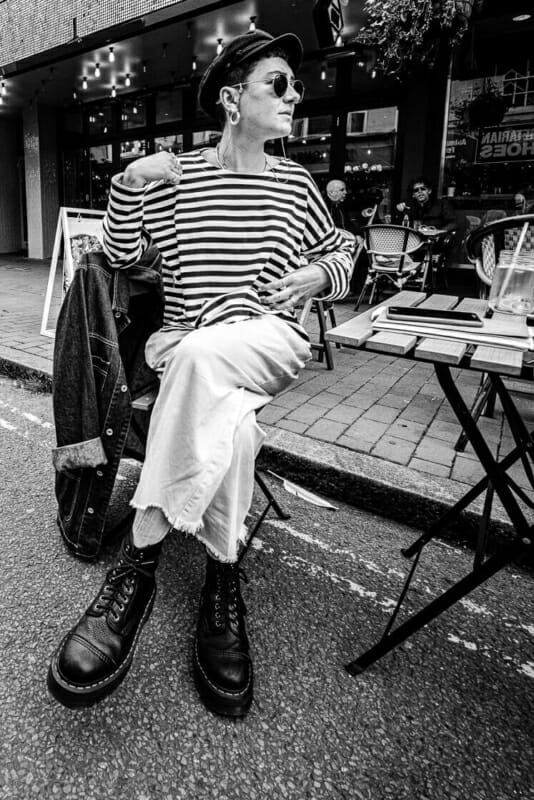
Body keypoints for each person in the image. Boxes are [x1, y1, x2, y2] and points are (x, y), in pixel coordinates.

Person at [47, 29, 354, 717]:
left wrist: (316, 272)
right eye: (279, 83)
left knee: (189, 358)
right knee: (233, 430)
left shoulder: (297, 183)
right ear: (231, 99)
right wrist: (126, 185)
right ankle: (222, 580)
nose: (294, 95)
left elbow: (344, 251)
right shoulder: (180, 176)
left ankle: (140, 563)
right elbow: (121, 256)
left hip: (269, 340)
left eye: (294, 86)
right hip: (195, 353)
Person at [395, 176, 468, 272]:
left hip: (435, 242)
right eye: (416, 190)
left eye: (423, 189)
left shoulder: (441, 204)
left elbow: (453, 223)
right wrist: (400, 212)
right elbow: (403, 226)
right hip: (414, 242)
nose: (420, 192)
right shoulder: (410, 207)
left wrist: (439, 233)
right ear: (413, 195)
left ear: (429, 191)